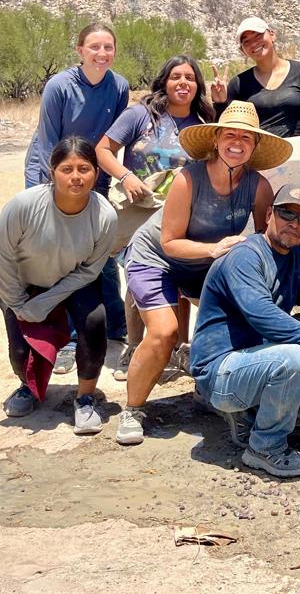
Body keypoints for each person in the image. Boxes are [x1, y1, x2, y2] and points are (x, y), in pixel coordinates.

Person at [114, 101, 285, 446]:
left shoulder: (259, 186)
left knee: (238, 319)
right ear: (217, 139)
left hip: (207, 261)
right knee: (165, 333)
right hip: (157, 258)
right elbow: (171, 242)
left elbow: (267, 236)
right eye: (230, 135)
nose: (237, 143)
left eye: (246, 138)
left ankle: (209, 388)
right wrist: (214, 249)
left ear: (253, 147)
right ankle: (132, 410)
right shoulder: (188, 179)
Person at [191, 184, 300, 478]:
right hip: (221, 369)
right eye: (286, 213)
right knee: (294, 358)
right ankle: (265, 448)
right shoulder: (246, 256)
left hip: (261, 363)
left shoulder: (298, 257)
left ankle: (253, 418)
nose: (293, 223)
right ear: (269, 214)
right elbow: (261, 314)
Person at [96, 55, 214, 381]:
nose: (183, 83)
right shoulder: (140, 115)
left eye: (190, 77)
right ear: (164, 81)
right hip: (141, 210)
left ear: (197, 85)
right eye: (176, 76)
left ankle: (180, 348)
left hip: (185, 212)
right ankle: (135, 349)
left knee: (181, 275)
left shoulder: (203, 122)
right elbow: (103, 149)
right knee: (139, 276)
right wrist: (125, 176)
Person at [0, 138, 118, 434]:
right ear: (52, 171)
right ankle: (26, 387)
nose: (76, 176)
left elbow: (90, 270)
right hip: (20, 286)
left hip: (74, 281)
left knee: (95, 323)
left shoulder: (105, 215)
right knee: (20, 354)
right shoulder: (23, 205)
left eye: (84, 169)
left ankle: (85, 398)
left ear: (96, 173)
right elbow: (0, 257)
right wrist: (19, 303)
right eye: (67, 169)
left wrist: (45, 303)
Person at [23, 21, 130, 368]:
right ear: (80, 51)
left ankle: (116, 326)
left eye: (108, 47)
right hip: (52, 172)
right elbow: (46, 141)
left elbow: (112, 140)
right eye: (94, 47)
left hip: (91, 174)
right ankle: (67, 337)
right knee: (60, 253)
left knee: (103, 251)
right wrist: (52, 189)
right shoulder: (59, 86)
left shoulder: (119, 87)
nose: (102, 54)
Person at [211, 17, 300, 143]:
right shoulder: (238, 83)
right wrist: (220, 103)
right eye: (246, 42)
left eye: (258, 36)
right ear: (242, 50)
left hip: (295, 157)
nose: (254, 44)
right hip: (256, 159)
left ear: (272, 35)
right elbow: (224, 128)